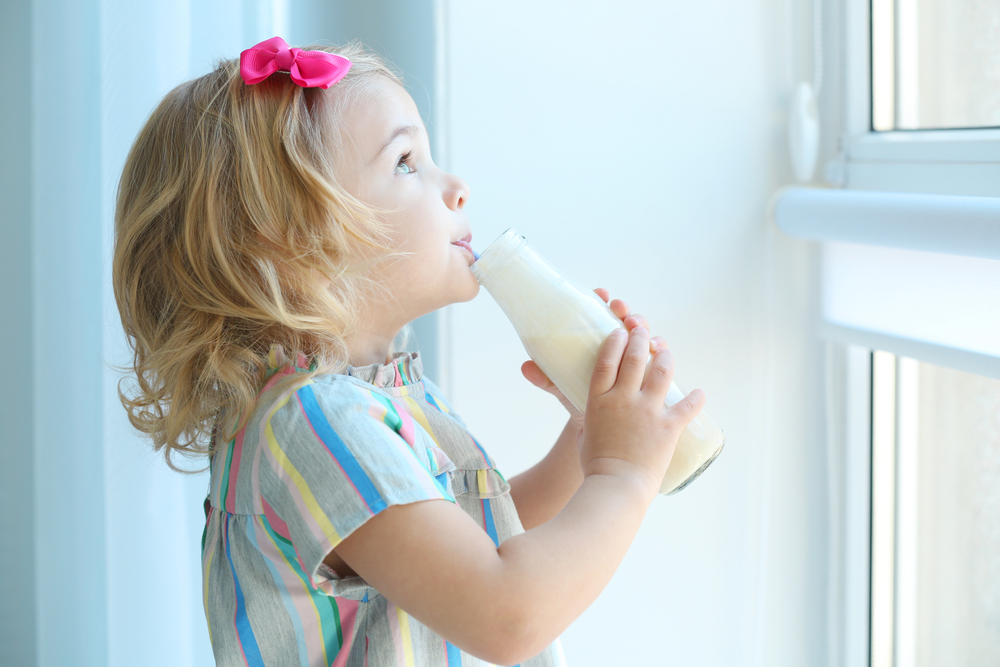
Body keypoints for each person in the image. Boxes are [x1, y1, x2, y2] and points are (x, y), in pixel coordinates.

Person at [112, 36, 706, 667]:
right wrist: (624, 473)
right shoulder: (317, 422)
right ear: (289, 244)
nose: (456, 186)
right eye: (405, 163)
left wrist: (587, 441)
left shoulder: (361, 401)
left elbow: (469, 547)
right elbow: (507, 615)